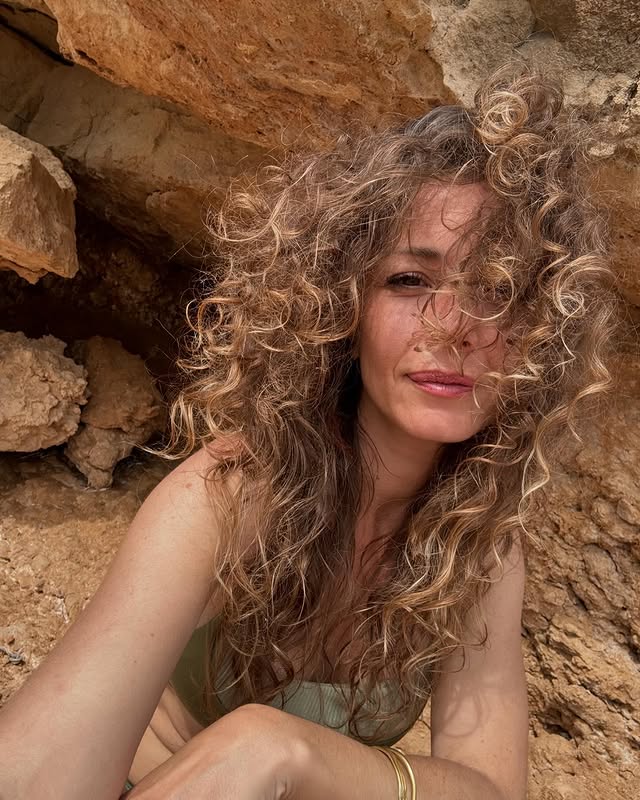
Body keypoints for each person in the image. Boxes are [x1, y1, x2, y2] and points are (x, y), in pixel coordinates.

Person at [0, 62, 621, 800]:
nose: (456, 327)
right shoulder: (231, 493)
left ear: (543, 334)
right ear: (342, 307)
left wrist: (282, 748)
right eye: (410, 281)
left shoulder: (478, 542)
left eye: (499, 289)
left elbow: (492, 789)